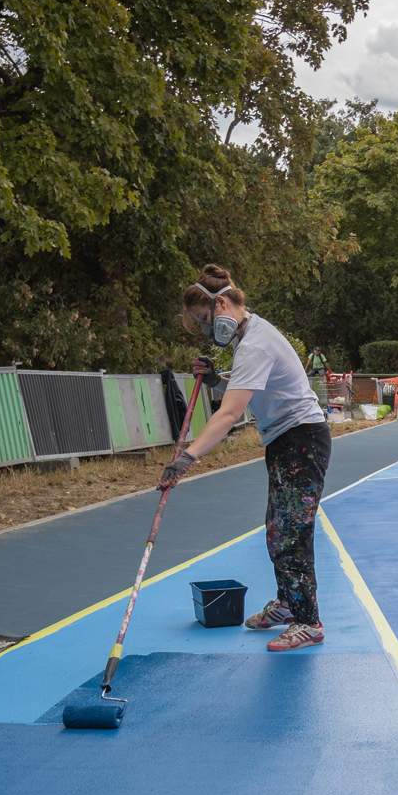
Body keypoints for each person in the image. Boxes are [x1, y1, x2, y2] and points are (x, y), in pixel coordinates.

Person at [161, 264, 331, 652]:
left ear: (221, 303)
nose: (206, 329)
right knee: (278, 531)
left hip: (302, 440)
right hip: (286, 440)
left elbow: (230, 413)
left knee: (290, 534)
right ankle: (289, 604)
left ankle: (309, 622)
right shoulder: (247, 335)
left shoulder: (253, 342)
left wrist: (187, 458)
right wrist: (216, 379)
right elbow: (249, 387)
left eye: (204, 319)